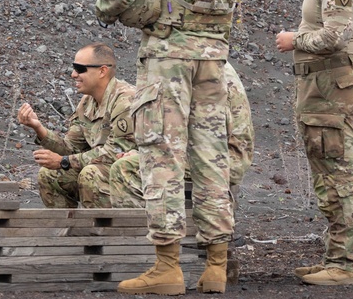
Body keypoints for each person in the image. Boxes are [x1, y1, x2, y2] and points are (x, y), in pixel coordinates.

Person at [95, 0, 246, 295]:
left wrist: (158, 9)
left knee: (162, 155)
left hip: (169, 63)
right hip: (214, 60)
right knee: (211, 157)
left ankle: (167, 267)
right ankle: (216, 266)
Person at [275, 0, 353, 287]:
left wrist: (293, 40)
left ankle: (345, 265)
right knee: (328, 176)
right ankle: (335, 257)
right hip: (324, 88)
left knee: (337, 177)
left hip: (334, 89)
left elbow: (335, 37)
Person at [107, 62, 254, 208]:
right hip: (201, 154)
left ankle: (143, 228)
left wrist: (148, 156)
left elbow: (206, 136)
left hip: (221, 159)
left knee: (125, 169)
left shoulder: (203, 68)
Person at [17, 43, 136, 208]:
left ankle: (104, 232)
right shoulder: (87, 102)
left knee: (91, 174)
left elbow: (116, 153)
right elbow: (71, 148)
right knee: (49, 174)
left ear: (102, 71)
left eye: (80, 69)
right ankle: (69, 230)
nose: (73, 74)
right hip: (108, 172)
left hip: (139, 176)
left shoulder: (125, 101)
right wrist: (39, 128)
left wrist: (64, 161)